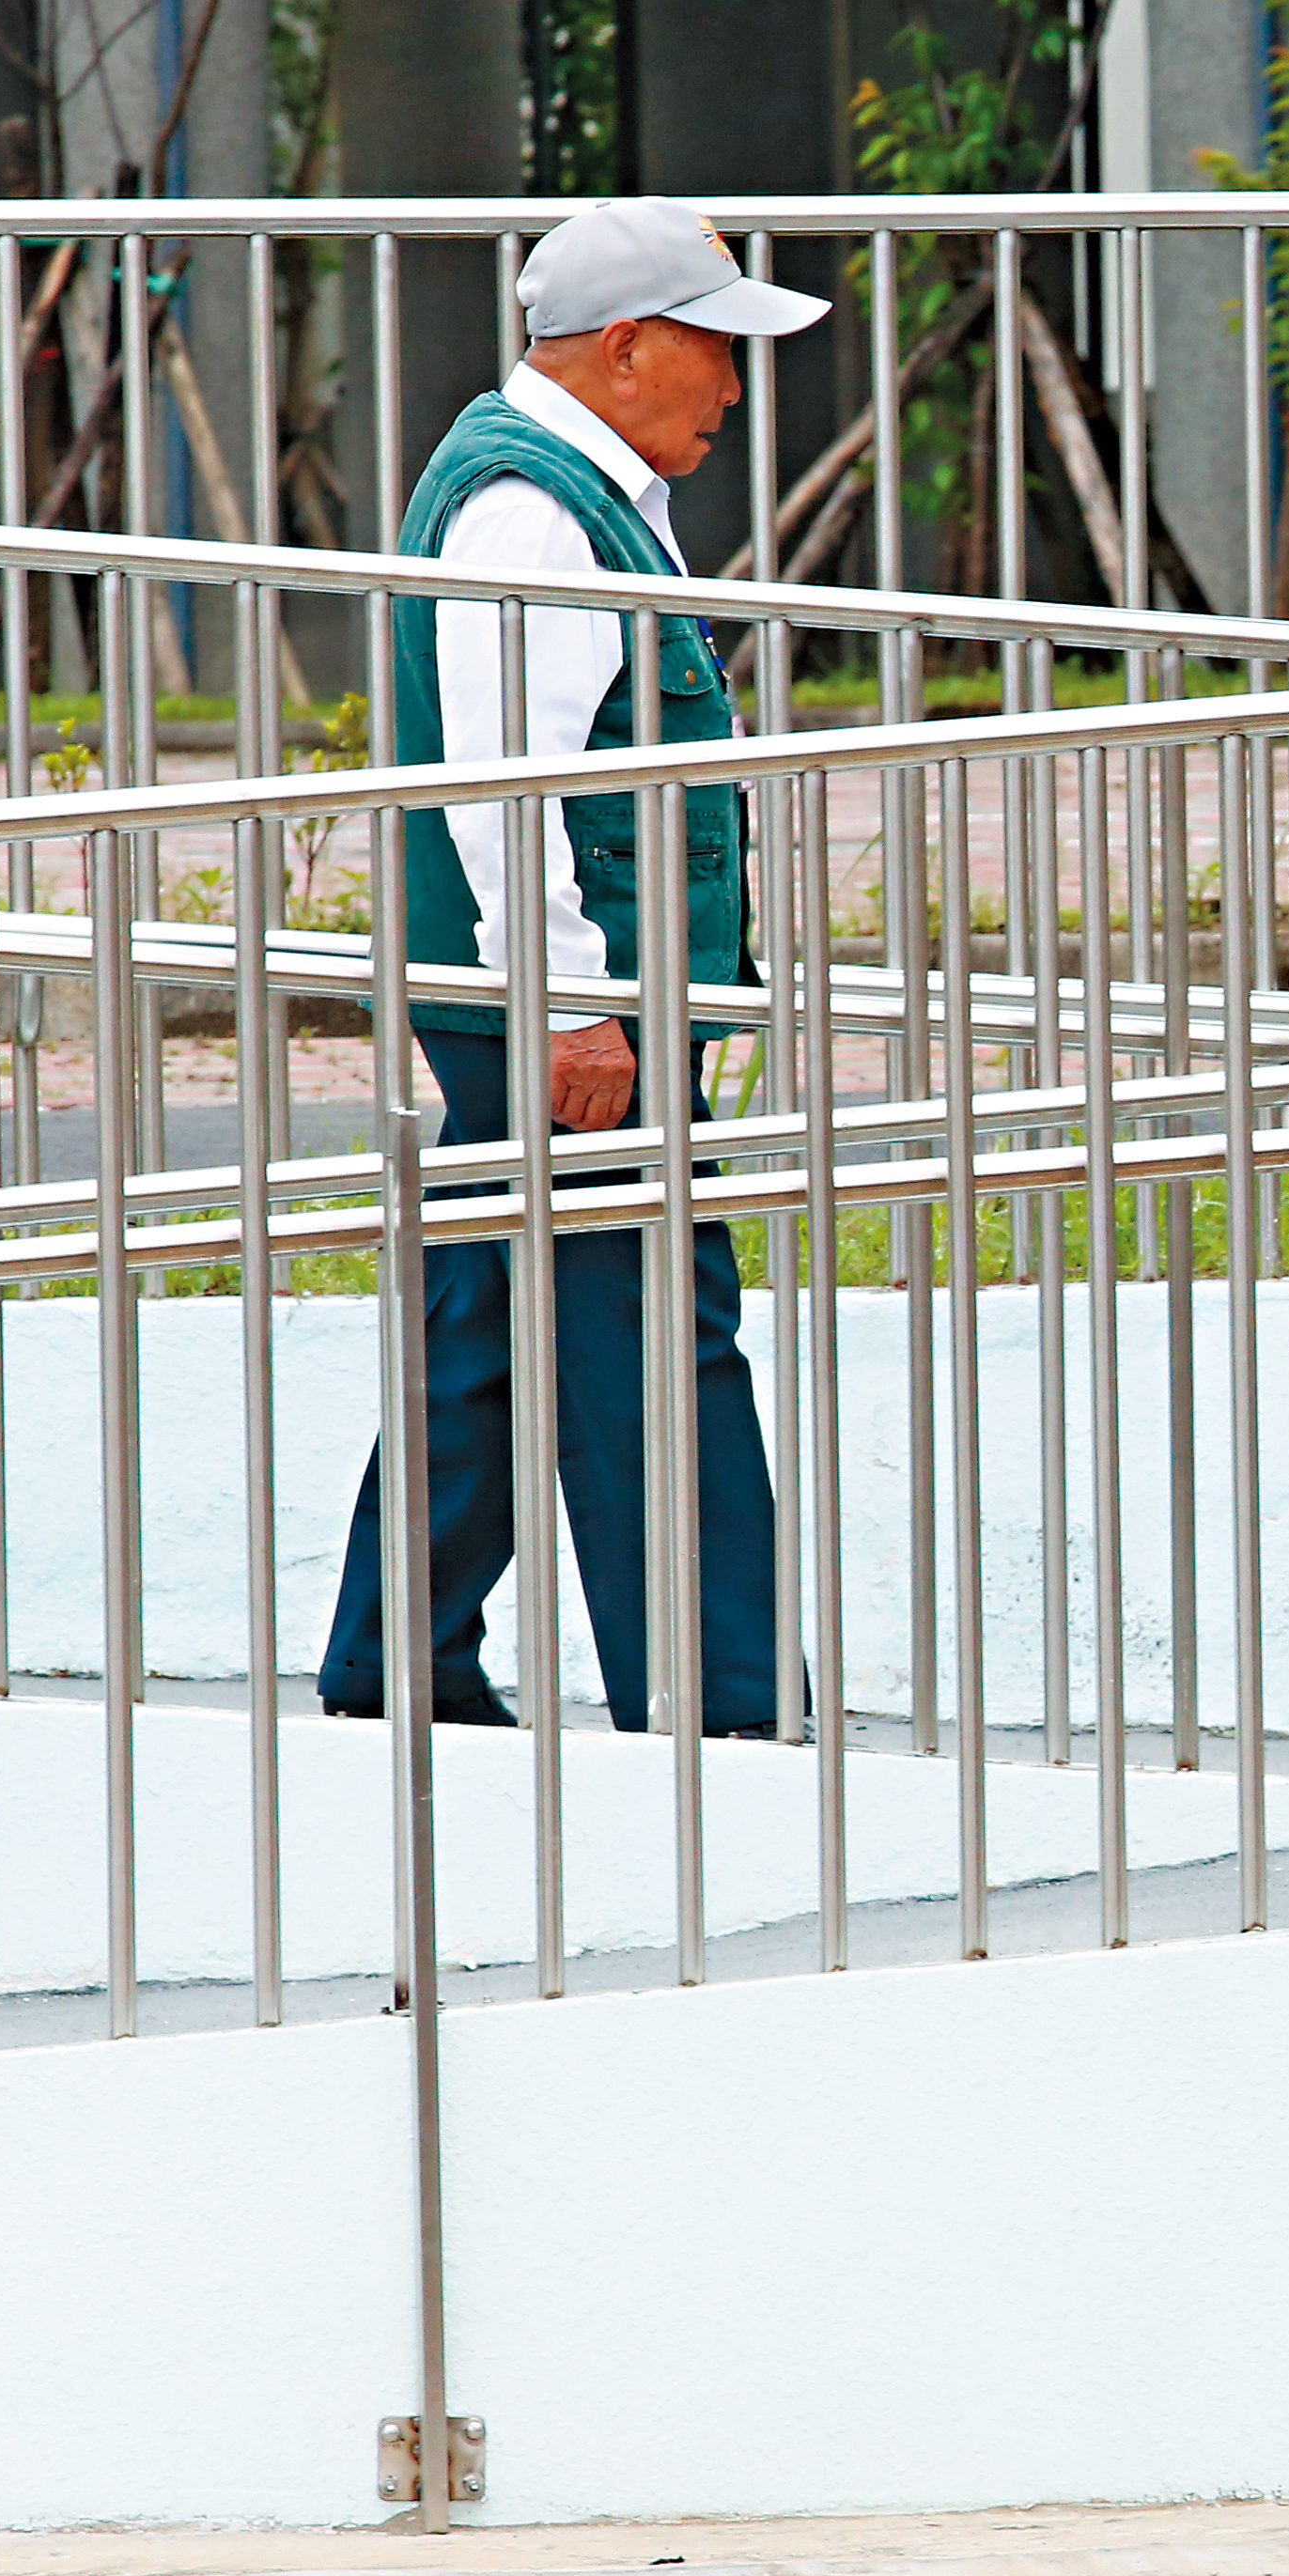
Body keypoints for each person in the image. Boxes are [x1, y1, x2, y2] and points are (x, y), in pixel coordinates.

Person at [322, 197, 827, 1737]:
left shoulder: (571, 480)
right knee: (650, 1325)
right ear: (624, 347)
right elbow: (500, 781)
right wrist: (576, 1004)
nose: (732, 392)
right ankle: (717, 1702)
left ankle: (393, 1660)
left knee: (488, 1313)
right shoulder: (531, 508)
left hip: (547, 994)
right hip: (556, 1001)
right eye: (713, 355)